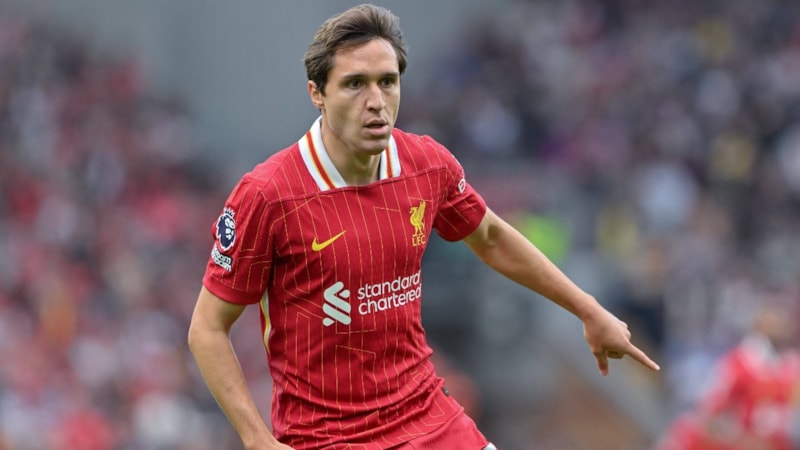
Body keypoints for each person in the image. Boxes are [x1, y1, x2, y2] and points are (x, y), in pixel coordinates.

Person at [187, 4, 660, 449]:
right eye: (355, 84)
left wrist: (587, 310)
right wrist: (256, 439)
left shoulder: (426, 164)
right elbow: (207, 328)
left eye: (387, 82)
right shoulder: (268, 194)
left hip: (428, 417)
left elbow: (491, 237)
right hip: (328, 436)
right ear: (317, 93)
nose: (376, 101)